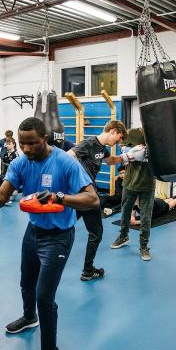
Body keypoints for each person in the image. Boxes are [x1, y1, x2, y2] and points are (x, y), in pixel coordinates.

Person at [0, 117, 98, 350]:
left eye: (33, 143)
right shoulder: (19, 162)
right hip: (33, 231)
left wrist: (59, 196)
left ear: (45, 139)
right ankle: (30, 318)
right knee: (26, 282)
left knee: (44, 296)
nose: (26, 149)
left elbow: (92, 199)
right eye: (22, 143)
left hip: (59, 236)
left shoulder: (65, 162)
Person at [67, 119, 128, 281]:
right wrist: (81, 177)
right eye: (118, 137)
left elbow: (111, 161)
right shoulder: (88, 143)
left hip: (82, 195)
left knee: (65, 226)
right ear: (113, 131)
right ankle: (88, 271)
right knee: (96, 233)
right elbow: (68, 156)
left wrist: (128, 156)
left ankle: (46, 262)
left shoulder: (102, 148)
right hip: (86, 194)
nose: (117, 142)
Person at [111, 128, 156, 261]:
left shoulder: (155, 135)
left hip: (148, 184)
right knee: (125, 211)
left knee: (146, 217)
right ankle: (123, 236)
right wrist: (130, 151)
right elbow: (121, 146)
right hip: (130, 182)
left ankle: (144, 246)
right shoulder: (133, 133)